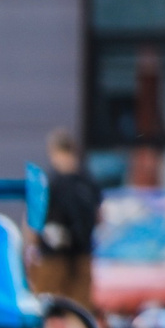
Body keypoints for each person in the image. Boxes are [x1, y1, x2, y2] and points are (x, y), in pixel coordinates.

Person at [36, 127, 102, 311]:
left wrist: (32, 247)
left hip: (52, 255)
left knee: (44, 308)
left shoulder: (49, 181)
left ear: (54, 150)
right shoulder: (88, 180)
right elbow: (99, 216)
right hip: (82, 253)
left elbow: (33, 219)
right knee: (79, 309)